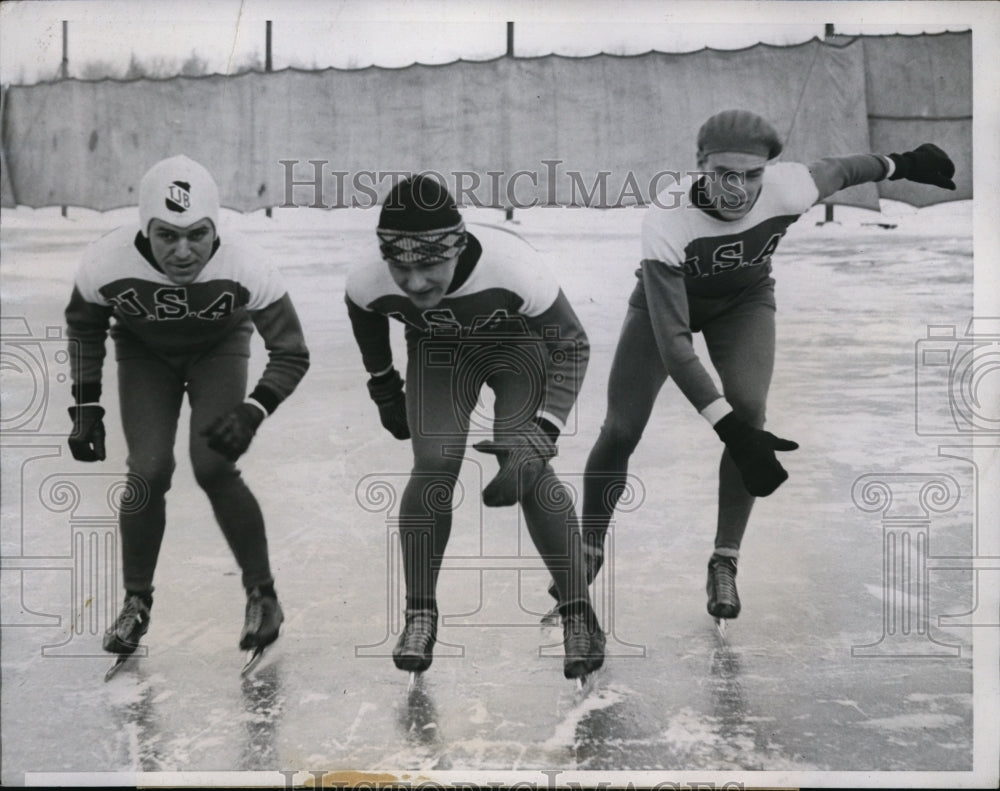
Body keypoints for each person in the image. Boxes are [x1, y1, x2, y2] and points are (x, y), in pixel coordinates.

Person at [576, 109, 957, 623]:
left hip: (744, 303)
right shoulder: (667, 219)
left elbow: (843, 170)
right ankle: (589, 545)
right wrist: (724, 428)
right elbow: (674, 342)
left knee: (750, 408)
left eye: (752, 174)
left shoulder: (790, 186)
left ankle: (725, 559)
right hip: (665, 310)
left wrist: (902, 163)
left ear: (768, 170)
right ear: (700, 166)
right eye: (724, 174)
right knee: (622, 428)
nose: (738, 188)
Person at [345, 174, 604, 681]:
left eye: (430, 265)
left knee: (524, 465)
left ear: (458, 249)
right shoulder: (366, 279)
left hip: (516, 348)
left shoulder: (512, 268)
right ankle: (421, 612)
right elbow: (363, 313)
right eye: (400, 267)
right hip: (438, 354)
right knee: (434, 465)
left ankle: (579, 612)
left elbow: (572, 344)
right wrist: (383, 383)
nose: (416, 283)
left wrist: (544, 431)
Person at [64, 155, 310, 661]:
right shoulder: (105, 260)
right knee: (148, 471)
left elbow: (292, 352)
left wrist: (253, 411)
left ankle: (263, 595)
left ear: (215, 228)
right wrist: (85, 405)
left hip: (219, 349)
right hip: (144, 354)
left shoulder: (247, 264)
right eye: (166, 236)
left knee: (214, 466)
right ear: (144, 230)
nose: (182, 252)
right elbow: (84, 324)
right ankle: (137, 599)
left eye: (197, 235)